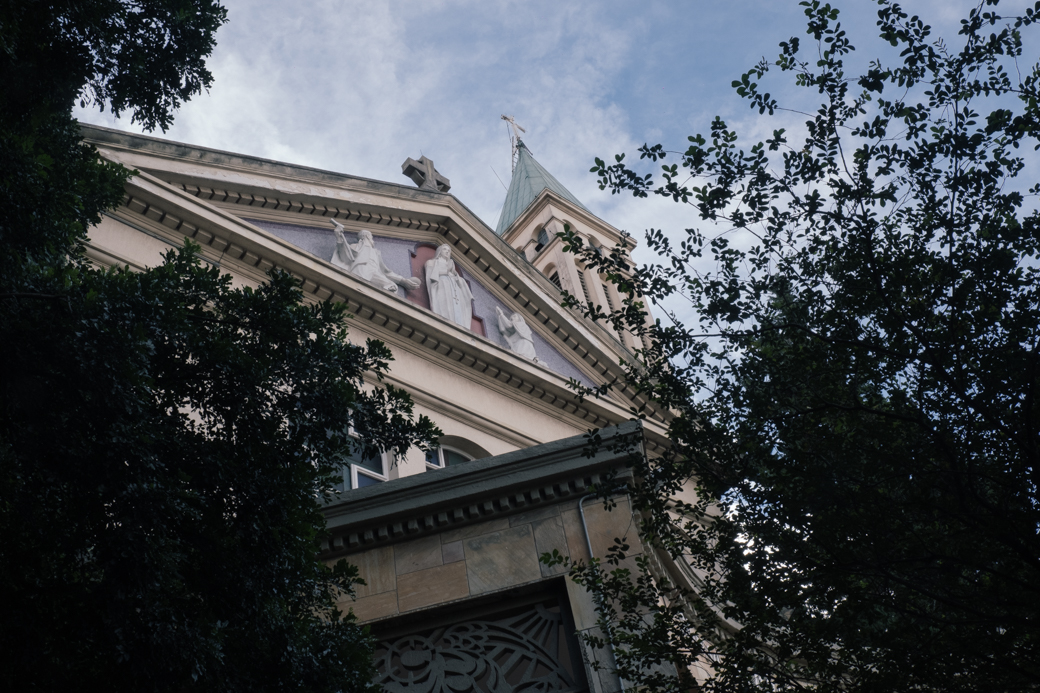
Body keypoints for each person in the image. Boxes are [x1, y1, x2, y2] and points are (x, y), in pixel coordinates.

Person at [330, 220, 420, 294]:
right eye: (371, 237)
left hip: (374, 272)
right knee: (359, 288)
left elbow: (386, 272)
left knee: (391, 286)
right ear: (367, 237)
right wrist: (339, 236)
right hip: (361, 269)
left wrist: (403, 281)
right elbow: (344, 253)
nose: (373, 240)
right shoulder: (355, 246)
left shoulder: (376, 253)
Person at [424, 244, 473, 328]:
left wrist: (455, 275)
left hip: (455, 292)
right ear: (439, 251)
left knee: (457, 310)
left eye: (449, 250)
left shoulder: (452, 268)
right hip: (442, 289)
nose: (447, 251)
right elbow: (431, 278)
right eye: (445, 249)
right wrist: (447, 271)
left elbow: (460, 283)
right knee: (446, 310)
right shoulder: (432, 262)